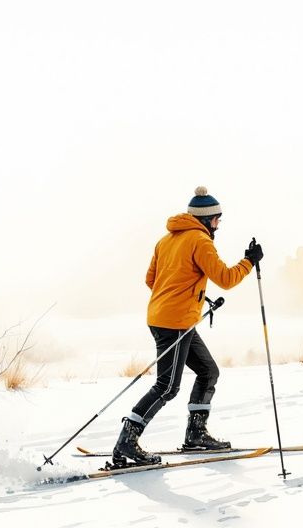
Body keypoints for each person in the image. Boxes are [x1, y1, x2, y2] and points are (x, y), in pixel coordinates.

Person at [112, 186, 264, 466]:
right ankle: (127, 441)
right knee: (167, 386)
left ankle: (196, 434)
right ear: (206, 219)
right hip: (175, 323)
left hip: (168, 317)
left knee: (208, 371)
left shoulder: (166, 240)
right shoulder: (200, 241)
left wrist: (189, 293)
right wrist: (249, 261)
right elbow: (227, 279)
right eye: (217, 219)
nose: (218, 224)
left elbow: (151, 280)